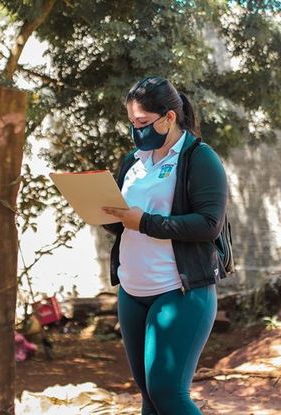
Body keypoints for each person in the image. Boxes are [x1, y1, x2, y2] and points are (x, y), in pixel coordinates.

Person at [102, 76, 228, 414]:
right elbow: (125, 220)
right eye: (132, 123)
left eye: (142, 123)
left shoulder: (199, 158)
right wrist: (104, 212)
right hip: (132, 289)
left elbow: (208, 224)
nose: (136, 130)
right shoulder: (134, 162)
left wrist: (144, 222)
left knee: (168, 393)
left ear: (169, 117)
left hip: (180, 290)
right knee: (149, 396)